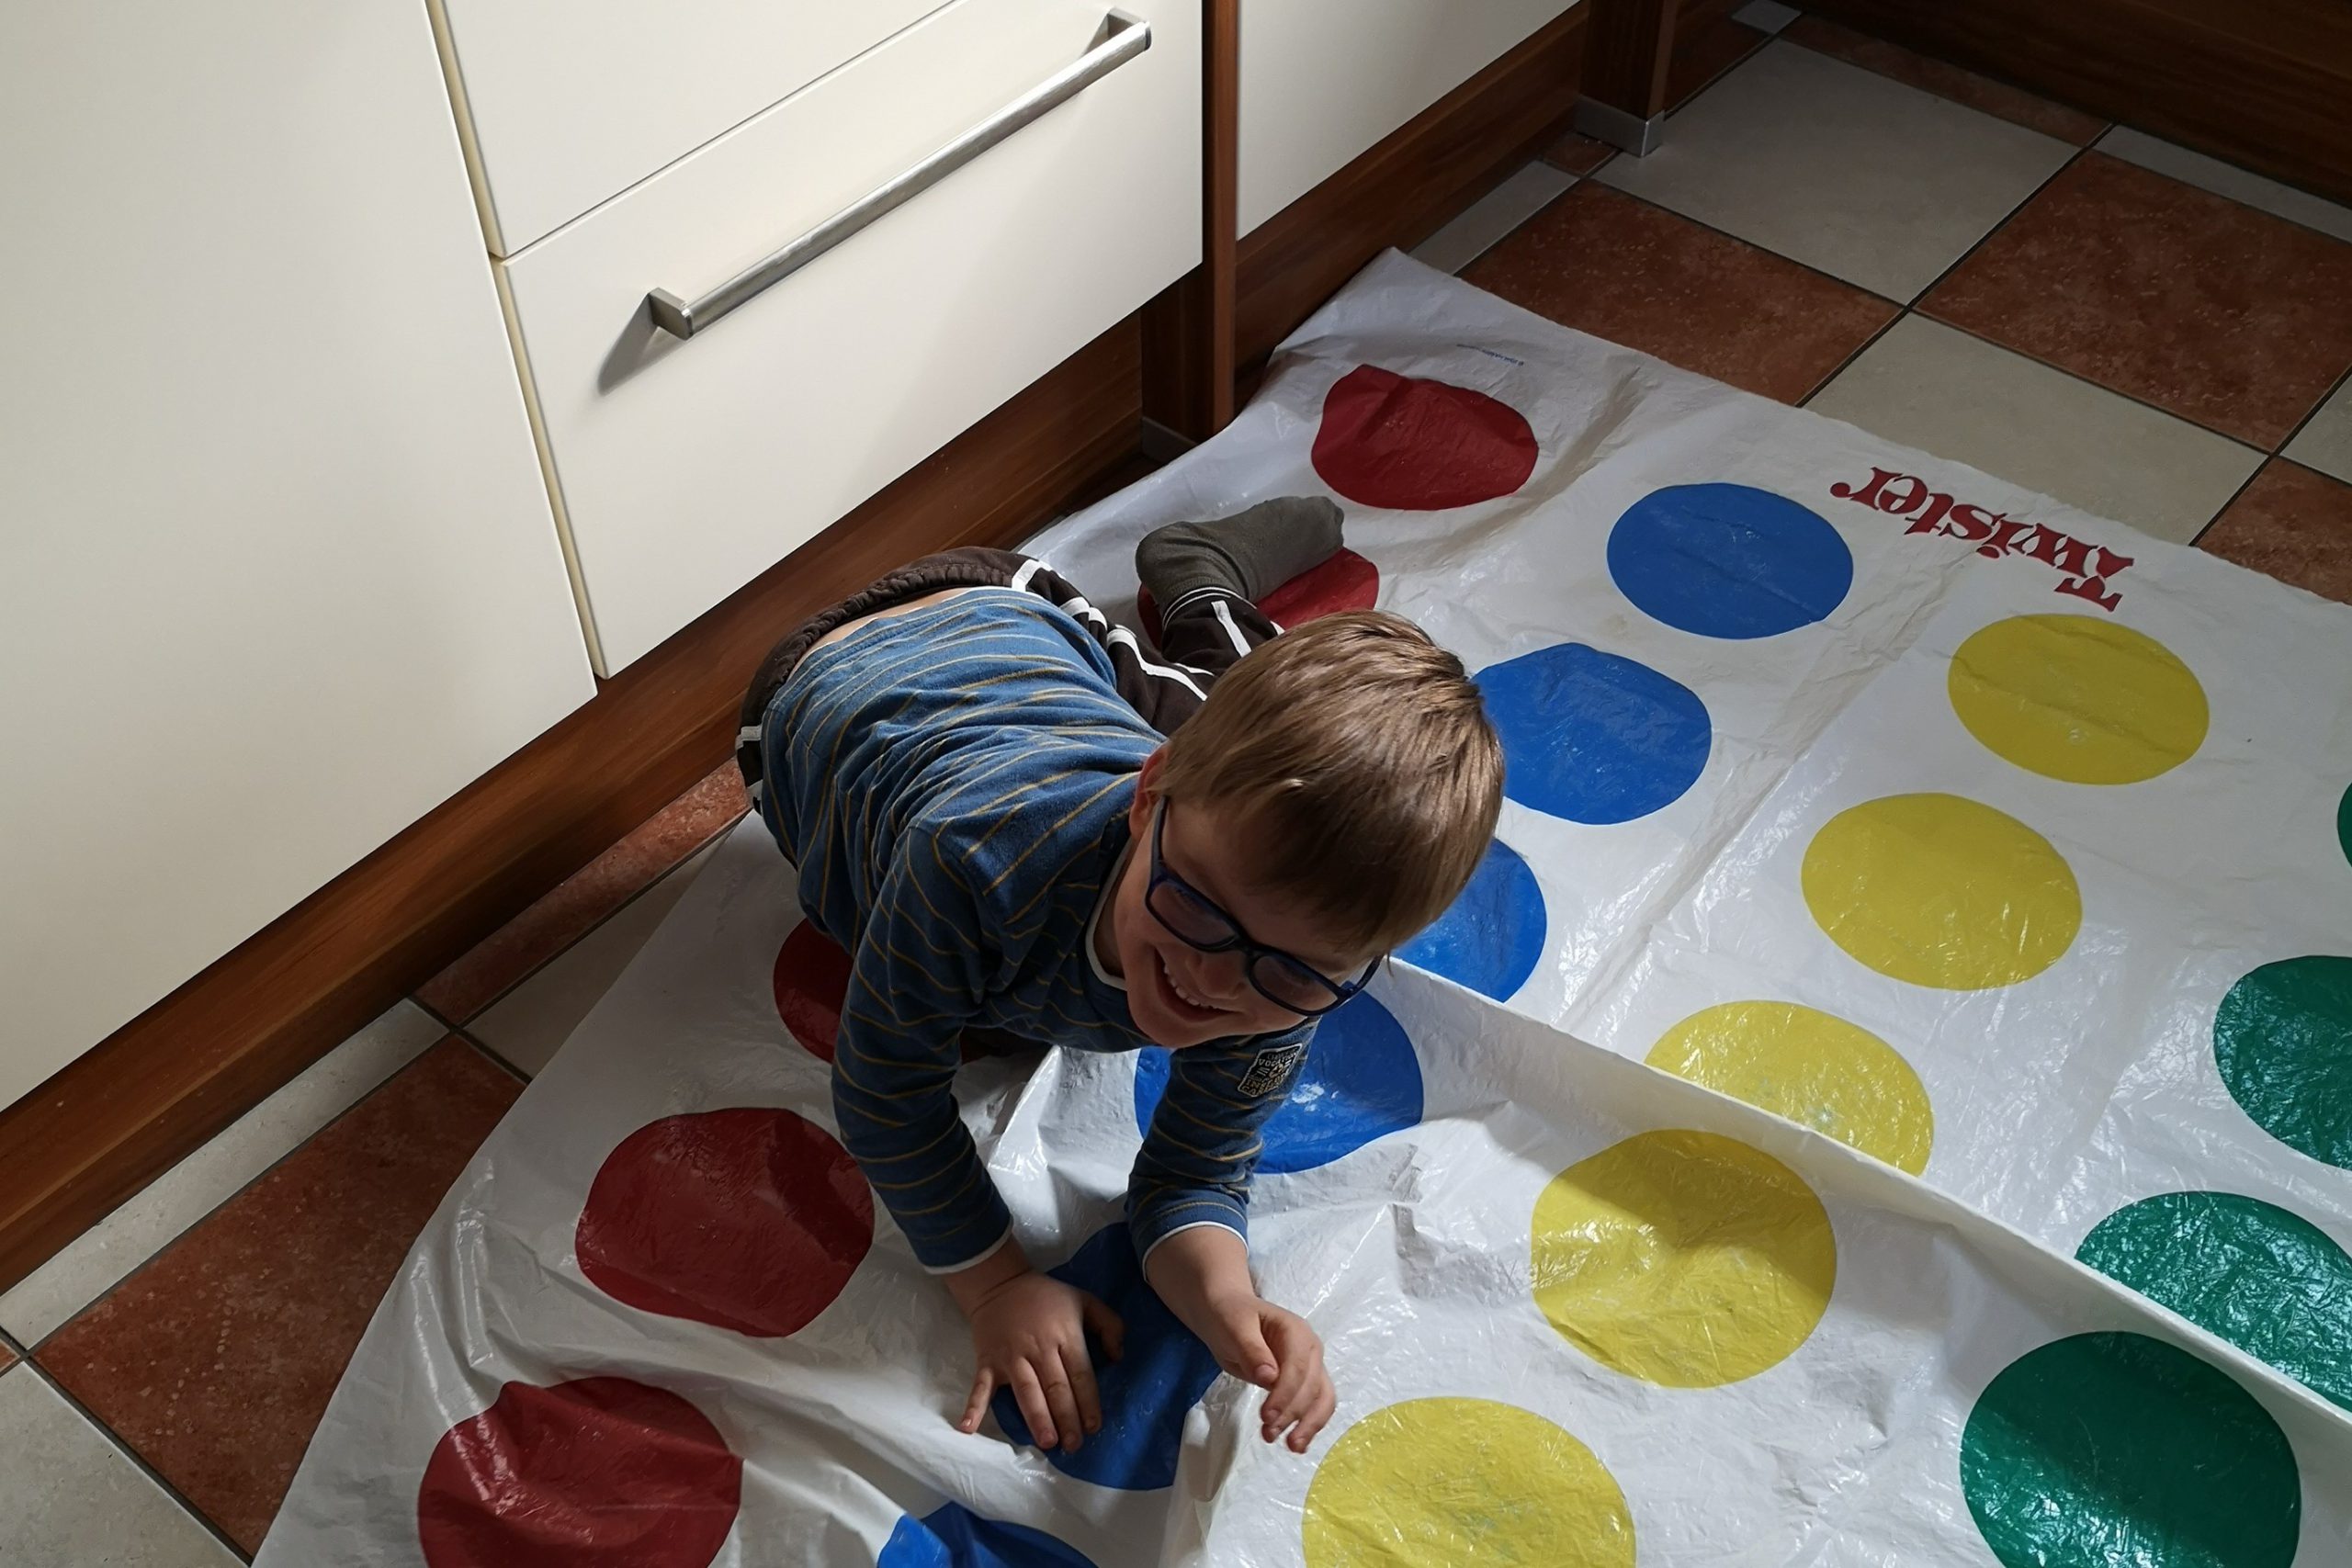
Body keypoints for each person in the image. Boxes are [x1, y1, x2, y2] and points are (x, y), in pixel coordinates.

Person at [738, 497, 1503, 1460]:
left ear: (1357, 965)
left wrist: (1228, 1301)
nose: (1213, 981)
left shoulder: (1292, 974)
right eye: (1197, 905)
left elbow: (1195, 1167)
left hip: (1037, 713)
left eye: (1291, 971)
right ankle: (1199, 581)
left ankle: (1197, 605)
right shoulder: (968, 862)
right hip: (908, 648)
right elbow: (886, 1096)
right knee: (1217, 708)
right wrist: (996, 1284)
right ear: (1147, 799)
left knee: (1241, 757)